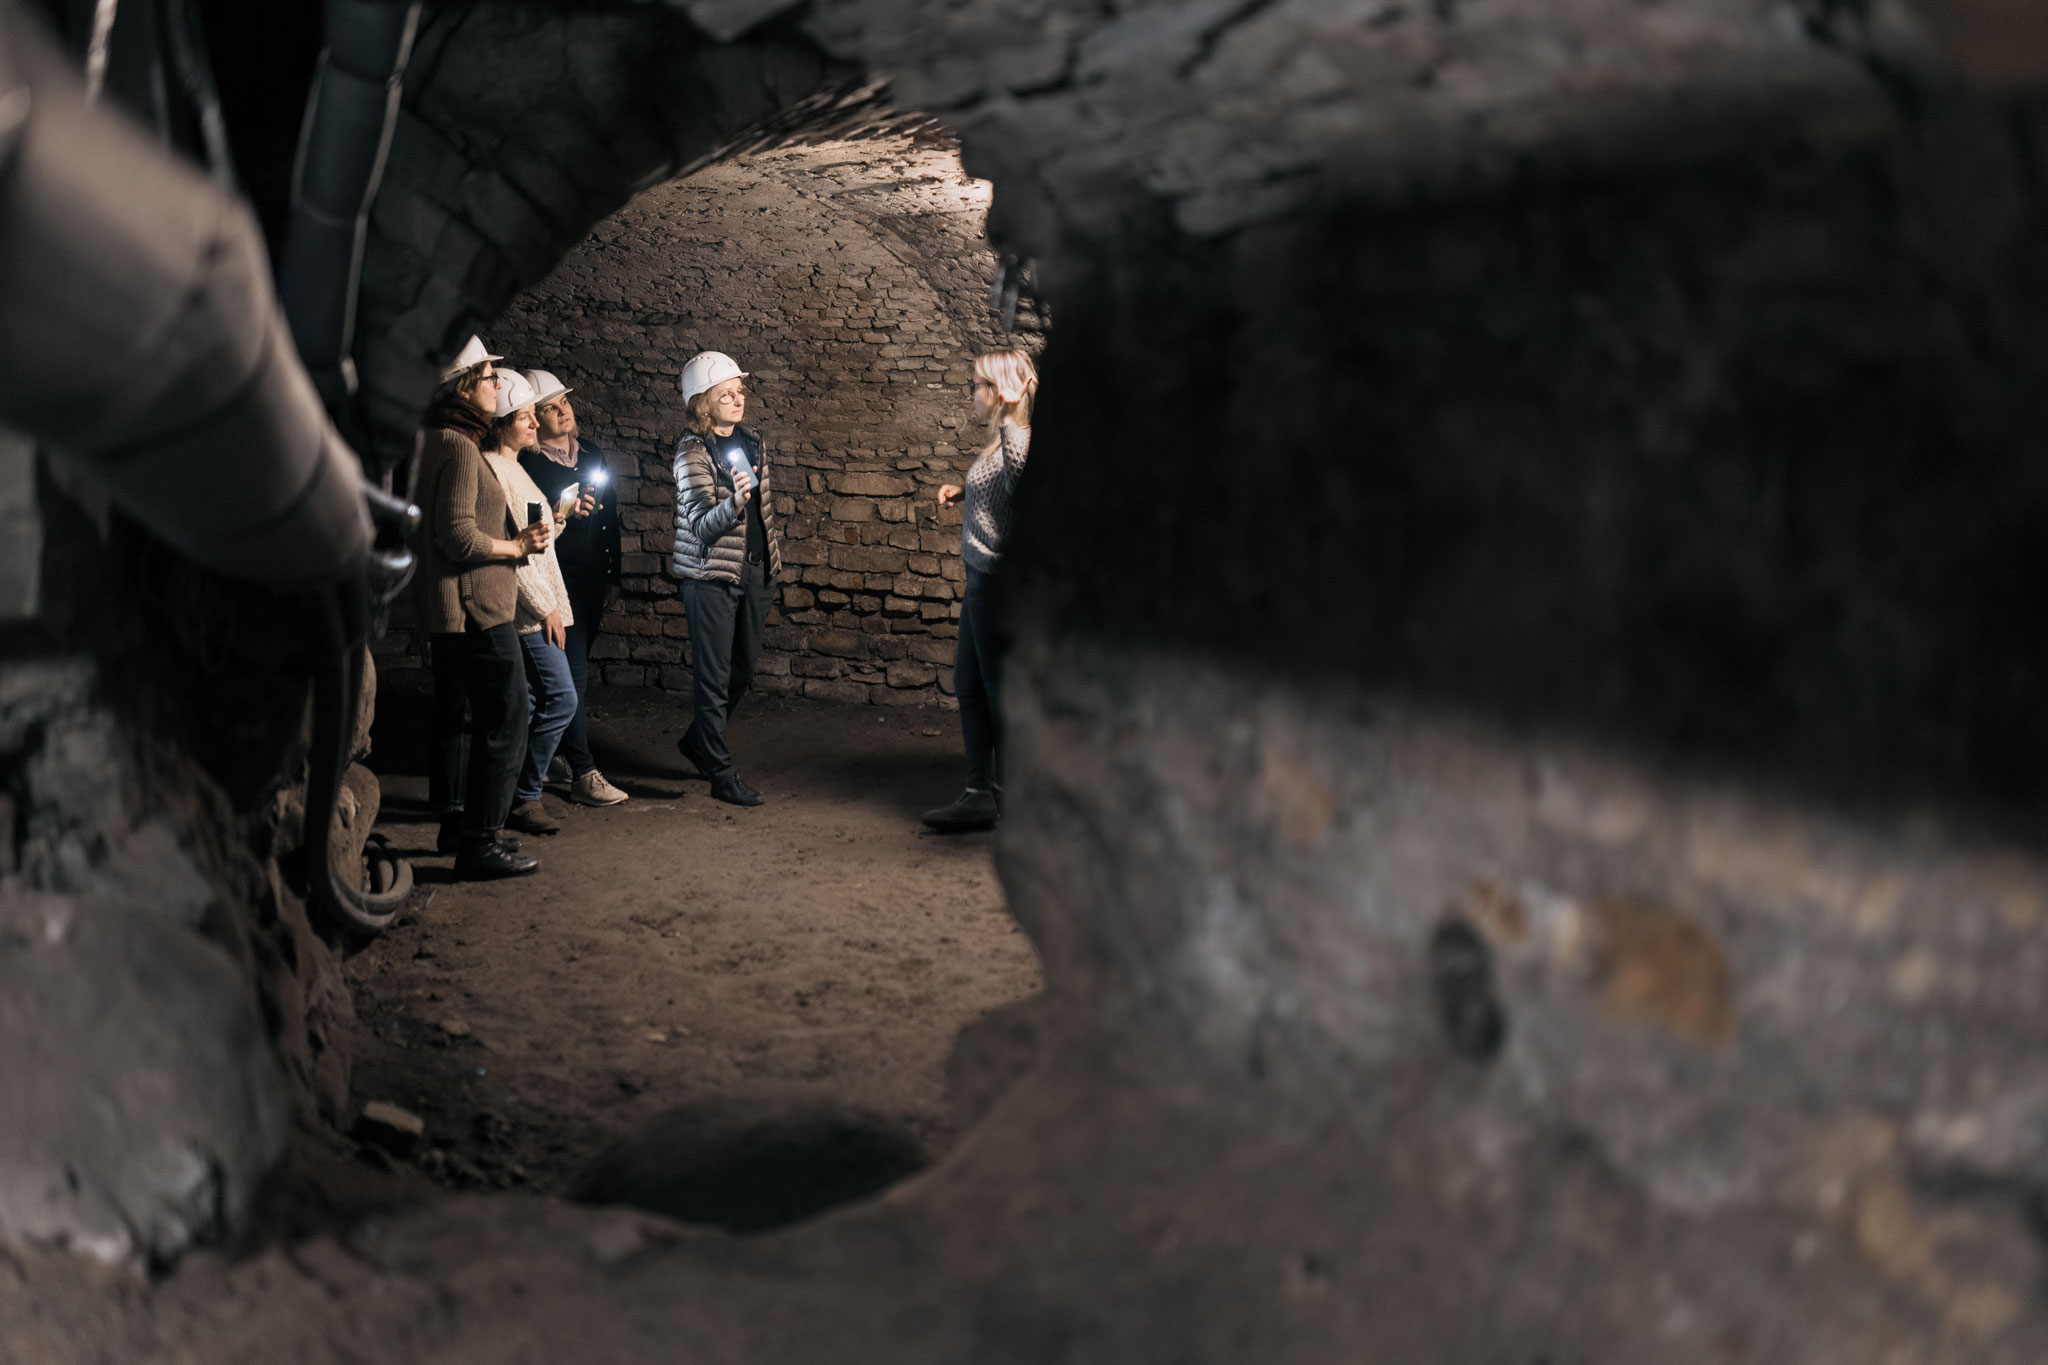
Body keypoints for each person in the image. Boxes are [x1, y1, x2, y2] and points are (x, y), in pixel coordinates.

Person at [411, 335, 550, 878]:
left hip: (459, 605)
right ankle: (481, 843)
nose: (498, 385)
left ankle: (463, 828)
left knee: (468, 718)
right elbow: (457, 535)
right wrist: (517, 546)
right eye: (490, 377)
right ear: (465, 387)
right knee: (509, 718)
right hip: (478, 607)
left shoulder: (438, 438)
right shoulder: (460, 446)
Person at [921, 348, 1037, 833]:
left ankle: (1009, 799)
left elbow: (1023, 485)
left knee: (994, 691)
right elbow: (1001, 490)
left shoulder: (1020, 437)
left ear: (999, 391)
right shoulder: (1001, 444)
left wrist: (1010, 416)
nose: (972, 394)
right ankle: (979, 793)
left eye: (977, 385)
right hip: (980, 578)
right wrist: (964, 490)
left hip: (994, 581)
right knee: (969, 685)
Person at [670, 350, 780, 807]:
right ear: (702, 403)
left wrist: (770, 562)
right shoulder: (691, 453)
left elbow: (763, 511)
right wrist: (733, 503)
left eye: (739, 391)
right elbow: (700, 526)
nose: (738, 400)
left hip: (754, 570)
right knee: (713, 680)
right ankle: (720, 773)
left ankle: (698, 742)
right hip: (710, 577)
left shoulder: (753, 441)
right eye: (726, 394)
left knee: (742, 670)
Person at [518, 369, 628, 808]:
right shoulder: (530, 465)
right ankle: (584, 771)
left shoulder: (592, 453)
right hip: (559, 580)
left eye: (564, 401)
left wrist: (614, 574)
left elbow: (611, 518)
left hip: (592, 579)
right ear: (535, 418)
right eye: (550, 407)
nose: (562, 411)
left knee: (569, 675)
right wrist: (563, 513)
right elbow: (533, 525)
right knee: (574, 678)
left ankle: (553, 756)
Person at [479, 370, 578, 836]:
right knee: (562, 699)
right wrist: (544, 608)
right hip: (527, 612)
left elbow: (531, 540)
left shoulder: (515, 467)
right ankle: (525, 796)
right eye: (525, 417)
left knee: (536, 701)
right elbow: (511, 554)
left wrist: (558, 518)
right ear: (502, 425)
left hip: (537, 606)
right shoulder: (494, 472)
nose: (536, 423)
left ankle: (513, 796)